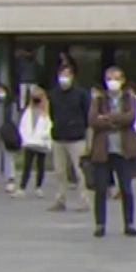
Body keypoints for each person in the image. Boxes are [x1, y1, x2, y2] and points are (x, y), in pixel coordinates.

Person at [86, 67, 136, 238]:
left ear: (122, 80)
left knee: (126, 188)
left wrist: (108, 118)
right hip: (103, 150)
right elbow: (93, 120)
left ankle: (129, 223)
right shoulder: (99, 99)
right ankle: (100, 224)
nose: (112, 82)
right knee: (101, 189)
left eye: (115, 78)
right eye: (109, 78)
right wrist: (116, 120)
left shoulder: (129, 98)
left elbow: (130, 117)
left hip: (123, 151)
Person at [47, 65, 91, 213]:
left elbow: (87, 115)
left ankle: (84, 201)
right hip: (58, 137)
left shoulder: (81, 94)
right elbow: (51, 114)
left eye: (67, 75)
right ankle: (60, 200)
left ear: (73, 77)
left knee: (80, 171)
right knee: (59, 171)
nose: (64, 78)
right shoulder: (53, 94)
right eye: (61, 75)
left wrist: (85, 132)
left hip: (77, 138)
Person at [16, 86, 51, 198]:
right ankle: (22, 188)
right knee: (27, 166)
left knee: (40, 166)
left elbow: (49, 127)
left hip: (41, 142)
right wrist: (25, 139)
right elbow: (23, 126)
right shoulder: (28, 111)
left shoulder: (46, 113)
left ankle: (38, 187)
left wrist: (43, 136)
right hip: (29, 142)